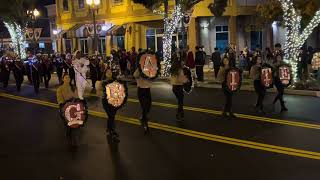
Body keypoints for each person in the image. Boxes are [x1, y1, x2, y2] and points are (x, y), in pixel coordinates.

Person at [96, 67, 121, 142]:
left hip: (113, 102)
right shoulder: (102, 82)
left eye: (110, 72)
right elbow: (98, 93)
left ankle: (109, 129)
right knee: (111, 116)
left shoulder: (115, 81)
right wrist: (103, 93)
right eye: (107, 72)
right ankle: (112, 132)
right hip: (106, 102)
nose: (109, 73)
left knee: (112, 116)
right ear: (105, 74)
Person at [56, 74, 79, 141]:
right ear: (63, 79)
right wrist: (63, 105)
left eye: (69, 77)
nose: (68, 78)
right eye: (66, 77)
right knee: (68, 125)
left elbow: (77, 97)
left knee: (74, 124)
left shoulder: (73, 87)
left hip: (74, 108)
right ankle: (69, 136)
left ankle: (73, 137)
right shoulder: (60, 89)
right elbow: (60, 99)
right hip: (65, 108)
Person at [134, 67, 152, 133]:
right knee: (144, 107)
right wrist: (141, 73)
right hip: (141, 89)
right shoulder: (139, 69)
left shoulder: (149, 69)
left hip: (147, 89)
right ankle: (145, 123)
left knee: (149, 105)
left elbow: (153, 77)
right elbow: (135, 75)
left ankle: (143, 117)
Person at [170, 54, 188, 121]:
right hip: (179, 87)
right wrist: (186, 80)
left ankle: (181, 113)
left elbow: (173, 79)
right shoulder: (180, 70)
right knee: (180, 102)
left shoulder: (173, 69)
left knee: (180, 101)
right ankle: (178, 114)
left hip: (174, 87)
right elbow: (181, 79)